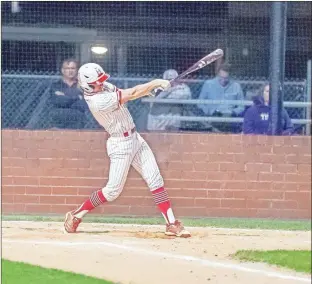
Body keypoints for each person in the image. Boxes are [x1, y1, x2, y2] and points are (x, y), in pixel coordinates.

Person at [63, 63, 191, 238]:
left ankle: (171, 224)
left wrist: (149, 90)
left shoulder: (104, 87)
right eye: (97, 82)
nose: (101, 84)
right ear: (87, 85)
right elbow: (131, 94)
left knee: (155, 179)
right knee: (112, 191)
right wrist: (155, 83)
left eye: (101, 81)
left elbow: (130, 93)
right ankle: (76, 214)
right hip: (119, 144)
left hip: (135, 138)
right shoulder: (98, 101)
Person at [47, 58, 88, 129]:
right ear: (63, 70)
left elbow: (81, 105)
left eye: (73, 68)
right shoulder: (56, 85)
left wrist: (65, 97)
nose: (70, 71)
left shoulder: (82, 86)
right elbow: (58, 101)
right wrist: (76, 97)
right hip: (58, 119)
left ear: (77, 70)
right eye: (67, 68)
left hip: (77, 120)